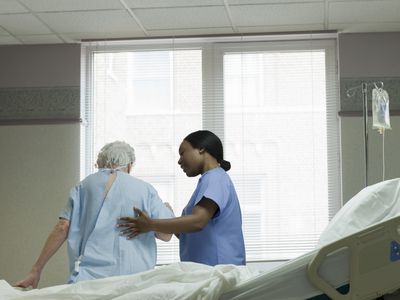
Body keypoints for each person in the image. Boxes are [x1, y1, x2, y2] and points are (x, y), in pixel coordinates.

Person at [14, 141, 174, 288]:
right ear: (130, 165)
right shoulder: (144, 189)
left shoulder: (82, 187)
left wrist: (36, 270)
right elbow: (166, 235)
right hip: (134, 281)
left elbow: (62, 227)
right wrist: (169, 210)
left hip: (90, 280)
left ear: (100, 163)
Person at [118, 130, 246, 266]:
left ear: (201, 149)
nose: (179, 161)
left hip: (219, 270)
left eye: (182, 153)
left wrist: (151, 224)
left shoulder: (215, 178)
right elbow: (190, 233)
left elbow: (198, 222)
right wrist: (168, 218)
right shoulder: (211, 180)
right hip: (209, 269)